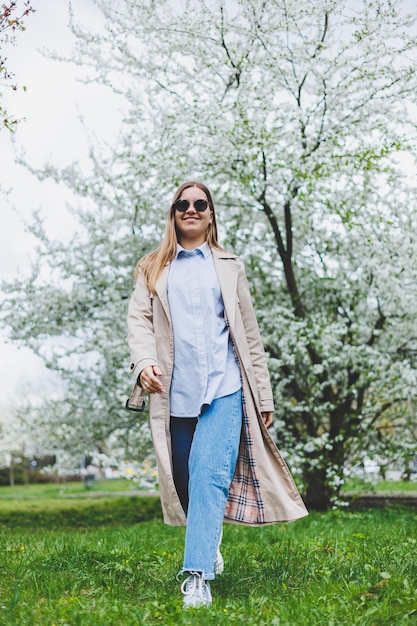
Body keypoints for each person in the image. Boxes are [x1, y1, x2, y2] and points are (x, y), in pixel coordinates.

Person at [126, 181, 308, 609]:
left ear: (210, 214)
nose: (191, 209)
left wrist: (263, 397)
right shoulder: (151, 267)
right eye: (182, 204)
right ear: (173, 213)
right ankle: (207, 542)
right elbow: (138, 323)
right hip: (175, 390)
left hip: (225, 387)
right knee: (185, 483)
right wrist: (143, 363)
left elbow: (248, 333)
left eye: (200, 204)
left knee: (208, 476)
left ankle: (196, 577)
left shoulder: (228, 265)